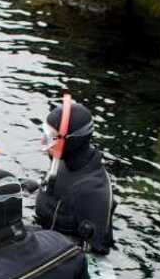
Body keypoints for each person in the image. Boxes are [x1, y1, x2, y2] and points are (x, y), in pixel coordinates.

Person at [33, 99, 115, 254]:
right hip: (44, 231)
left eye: (51, 136)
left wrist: (26, 241)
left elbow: (96, 248)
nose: (44, 141)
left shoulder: (92, 191)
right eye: (45, 133)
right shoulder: (62, 160)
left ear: (71, 140)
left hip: (62, 253)